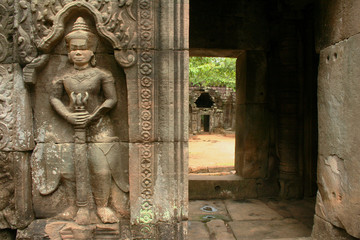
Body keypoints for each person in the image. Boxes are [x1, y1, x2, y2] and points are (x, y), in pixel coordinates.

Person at [50, 17, 128, 224]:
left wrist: (94, 115)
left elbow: (112, 99)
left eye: (83, 48)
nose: (78, 52)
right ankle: (74, 204)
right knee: (68, 169)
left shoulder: (102, 74)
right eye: (74, 49)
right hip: (72, 124)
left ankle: (102, 206)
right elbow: (54, 98)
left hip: (100, 125)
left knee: (101, 168)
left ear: (92, 51)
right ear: (68, 52)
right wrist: (68, 115)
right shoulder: (63, 77)